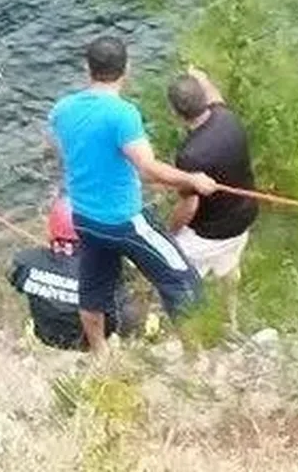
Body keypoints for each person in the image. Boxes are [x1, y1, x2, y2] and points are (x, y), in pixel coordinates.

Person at [48, 35, 216, 355]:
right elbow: (148, 167)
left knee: (93, 289)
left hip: (84, 217)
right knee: (181, 277)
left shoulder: (62, 110)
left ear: (88, 68)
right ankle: (195, 357)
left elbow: (59, 149)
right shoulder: (123, 114)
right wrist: (192, 179)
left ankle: (100, 353)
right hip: (124, 219)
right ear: (127, 69)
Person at [165, 68, 259, 324]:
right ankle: (231, 319)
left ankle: (193, 324)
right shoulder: (227, 117)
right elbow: (215, 96)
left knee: (177, 275)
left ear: (175, 113)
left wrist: (169, 233)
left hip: (209, 235)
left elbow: (189, 206)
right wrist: (202, 76)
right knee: (229, 269)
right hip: (244, 218)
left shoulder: (190, 154)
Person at [10, 197, 141, 350]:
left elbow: (15, 279)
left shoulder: (25, 260)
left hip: (48, 339)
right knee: (128, 303)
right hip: (94, 341)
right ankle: (135, 337)